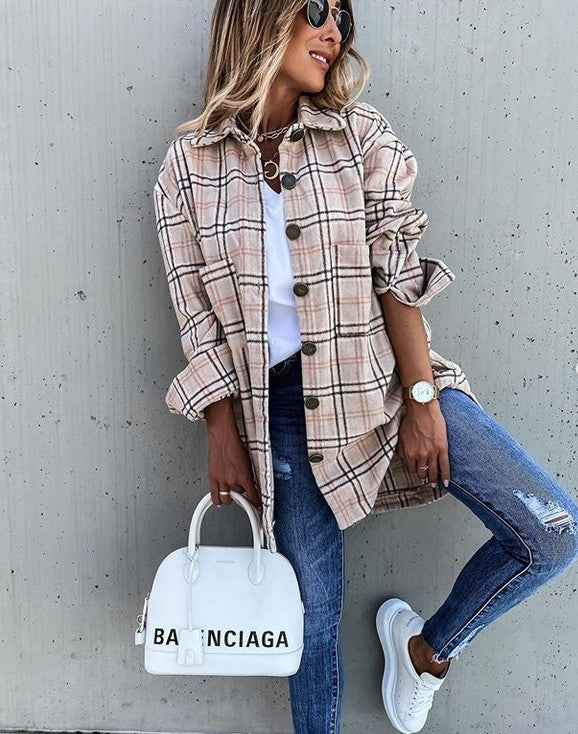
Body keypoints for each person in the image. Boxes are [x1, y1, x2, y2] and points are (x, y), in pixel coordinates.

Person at [152, 1, 578, 732]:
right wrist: (220, 431)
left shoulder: (359, 135)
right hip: (282, 419)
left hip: (386, 381)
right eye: (317, 10)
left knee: (552, 531)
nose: (334, 31)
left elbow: (396, 275)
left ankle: (427, 651)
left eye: (343, 19)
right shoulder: (188, 167)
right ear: (259, 16)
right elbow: (196, 315)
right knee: (311, 624)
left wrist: (422, 398)